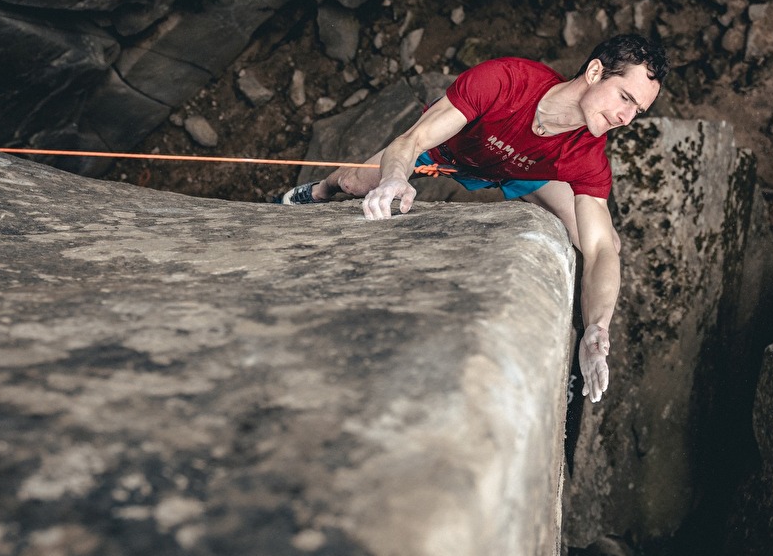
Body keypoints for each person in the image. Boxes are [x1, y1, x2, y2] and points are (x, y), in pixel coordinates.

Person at [278, 34, 669, 405]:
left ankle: (569, 345)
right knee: (352, 179)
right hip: (448, 151)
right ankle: (319, 191)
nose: (626, 118)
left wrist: (598, 327)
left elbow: (600, 249)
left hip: (519, 172)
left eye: (637, 110)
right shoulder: (506, 81)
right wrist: (395, 177)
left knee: (608, 241)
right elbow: (411, 141)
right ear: (596, 72)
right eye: (625, 98)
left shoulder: (587, 157)